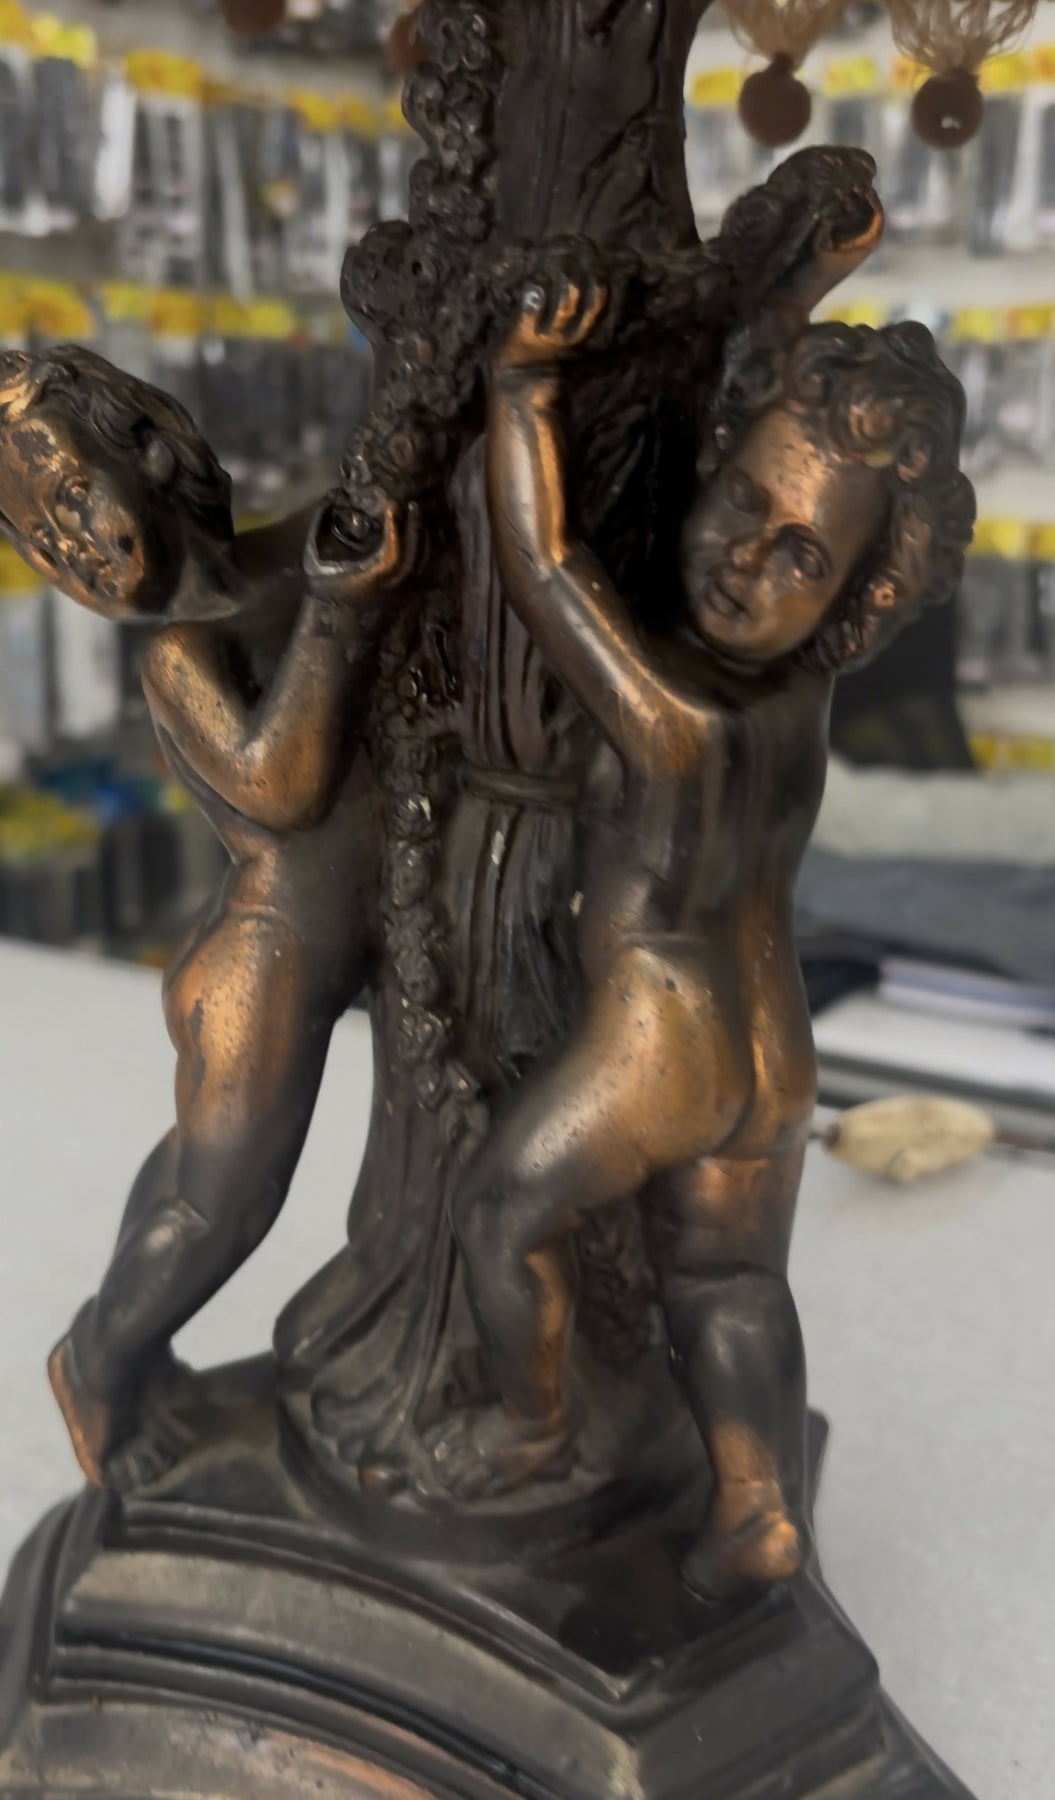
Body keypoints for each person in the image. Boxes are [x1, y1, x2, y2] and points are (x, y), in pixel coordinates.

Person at [432, 275, 974, 1599]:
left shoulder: (669, 704)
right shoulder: (802, 695)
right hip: (776, 1048)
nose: (746, 558)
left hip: (658, 1036)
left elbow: (545, 564)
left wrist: (521, 386)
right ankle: (753, 1504)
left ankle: (530, 1425)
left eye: (799, 556)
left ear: (853, 592)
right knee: (728, 1278)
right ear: (713, 460)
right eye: (742, 501)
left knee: (498, 1214)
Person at [0, 345, 417, 1489]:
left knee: (197, 1175)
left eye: (71, 497)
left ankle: (118, 1350)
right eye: (38, 538)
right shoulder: (180, 656)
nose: (70, 546)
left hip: (316, 941)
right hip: (267, 960)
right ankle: (100, 1362)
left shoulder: (295, 548)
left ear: (151, 449)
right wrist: (339, 619)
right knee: (219, 1202)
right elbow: (281, 783)